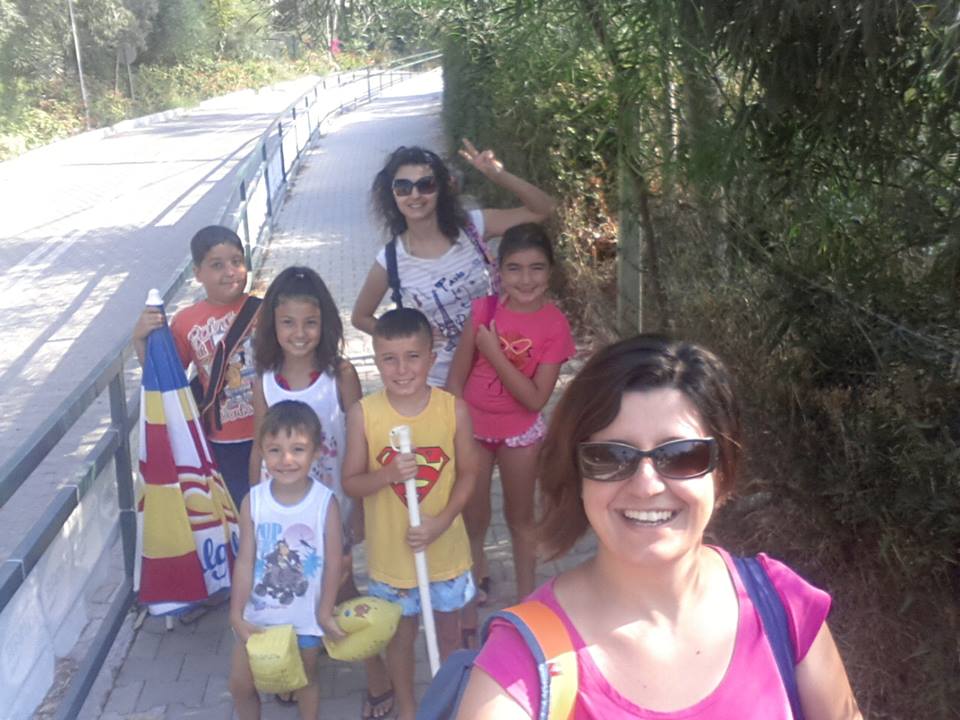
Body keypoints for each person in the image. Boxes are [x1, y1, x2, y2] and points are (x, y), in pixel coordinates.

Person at [457, 335, 864, 719]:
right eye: (611, 456)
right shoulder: (523, 663)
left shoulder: (782, 607)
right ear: (577, 476)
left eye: (682, 455)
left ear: (722, 473)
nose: (646, 485)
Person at [248, 265, 393, 718]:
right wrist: (252, 508)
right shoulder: (263, 381)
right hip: (281, 513)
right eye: (288, 322)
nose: (299, 333)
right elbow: (257, 445)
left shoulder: (340, 375)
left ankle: (378, 675)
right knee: (287, 589)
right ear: (272, 325)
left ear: (325, 322)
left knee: (343, 585)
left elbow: (360, 440)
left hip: (331, 508)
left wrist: (359, 507)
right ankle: (292, 668)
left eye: (310, 322)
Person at [342, 308, 478, 720]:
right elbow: (351, 483)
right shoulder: (364, 414)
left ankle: (452, 704)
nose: (402, 369)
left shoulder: (452, 410)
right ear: (376, 361)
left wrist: (442, 521)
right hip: (392, 559)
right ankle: (407, 707)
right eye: (390, 359)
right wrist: (386, 475)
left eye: (412, 357)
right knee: (400, 638)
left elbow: (470, 474)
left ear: (431, 358)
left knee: (450, 635)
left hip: (446, 551)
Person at [446, 223, 575, 644]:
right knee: (473, 519)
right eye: (514, 268)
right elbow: (455, 381)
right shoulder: (483, 312)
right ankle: (467, 604)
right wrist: (453, 431)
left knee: (520, 519)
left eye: (537, 268)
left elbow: (536, 399)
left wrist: (494, 352)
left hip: (520, 433)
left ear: (550, 272)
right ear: (498, 272)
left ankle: (525, 605)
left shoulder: (554, 326)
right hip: (473, 431)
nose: (526, 279)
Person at [351, 140, 557, 388]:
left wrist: (498, 175)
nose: (415, 195)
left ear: (441, 188)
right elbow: (360, 317)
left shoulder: (473, 226)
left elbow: (543, 209)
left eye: (426, 185)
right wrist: (414, 337)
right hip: (442, 381)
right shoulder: (391, 259)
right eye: (403, 187)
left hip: (502, 366)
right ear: (392, 194)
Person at [228, 400, 346, 720]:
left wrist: (325, 612)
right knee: (241, 685)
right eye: (275, 450)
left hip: (305, 618)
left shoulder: (325, 503)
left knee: (305, 682)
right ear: (262, 452)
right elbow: (245, 561)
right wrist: (236, 613)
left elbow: (334, 563)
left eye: (298, 449)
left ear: (316, 452)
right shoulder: (253, 502)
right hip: (258, 618)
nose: (286, 460)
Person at [133, 225, 258, 510]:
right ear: (197, 272)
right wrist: (139, 339)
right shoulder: (186, 321)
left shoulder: (266, 309)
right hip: (221, 443)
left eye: (237, 261)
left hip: (271, 434)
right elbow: (167, 379)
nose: (230, 272)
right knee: (238, 513)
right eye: (217, 265)